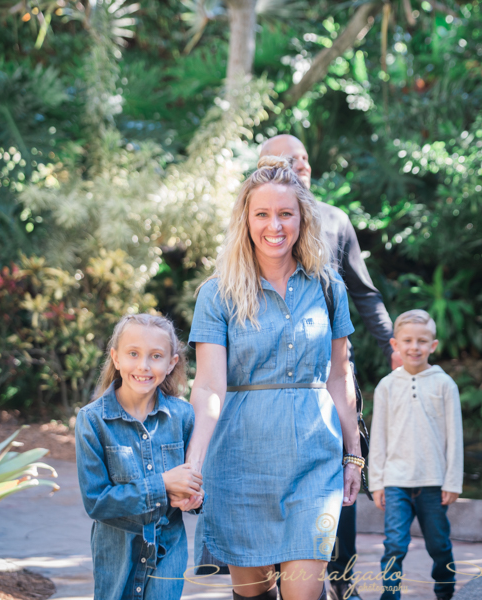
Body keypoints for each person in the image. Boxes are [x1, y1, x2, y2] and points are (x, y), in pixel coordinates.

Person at [183, 156, 363, 600]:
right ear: (245, 219)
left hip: (314, 463)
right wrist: (194, 463)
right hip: (240, 464)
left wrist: (353, 454)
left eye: (285, 213)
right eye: (262, 213)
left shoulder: (327, 285)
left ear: (303, 217)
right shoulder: (217, 292)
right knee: (255, 594)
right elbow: (207, 386)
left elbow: (340, 374)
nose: (274, 226)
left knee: (305, 592)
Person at [259, 134, 400, 600]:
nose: (298, 165)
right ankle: (282, 577)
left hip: (331, 365)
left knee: (345, 466)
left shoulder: (335, 220)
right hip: (268, 375)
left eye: (302, 158)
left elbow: (363, 291)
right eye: (285, 160)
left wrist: (392, 344)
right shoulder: (258, 221)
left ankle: (343, 581)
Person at [75, 314, 203, 600]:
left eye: (156, 356)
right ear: (116, 357)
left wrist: (194, 499)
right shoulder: (93, 421)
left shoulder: (183, 417)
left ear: (171, 363)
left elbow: (199, 486)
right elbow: (96, 502)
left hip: (168, 551)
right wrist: (163, 484)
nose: (143, 366)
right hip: (116, 555)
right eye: (133, 353)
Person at [367, 310, 464, 600]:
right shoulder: (386, 386)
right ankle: (390, 595)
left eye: (422, 341)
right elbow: (379, 438)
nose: (414, 347)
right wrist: (377, 483)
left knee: (439, 545)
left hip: (434, 482)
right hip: (396, 482)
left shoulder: (445, 384)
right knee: (394, 545)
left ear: (433, 346)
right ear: (395, 345)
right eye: (407, 340)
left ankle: (445, 593)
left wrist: (452, 482)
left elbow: (455, 439)